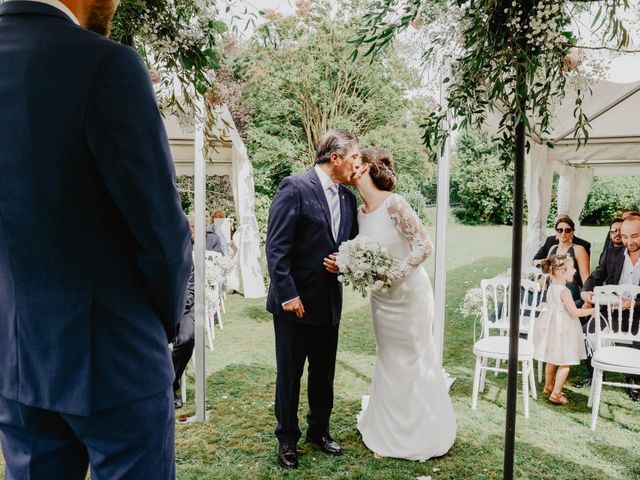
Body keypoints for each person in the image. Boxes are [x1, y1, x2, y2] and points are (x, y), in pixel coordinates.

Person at [0, 1, 193, 478]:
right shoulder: (106, 64)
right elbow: (162, 234)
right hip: (115, 359)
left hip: (16, 360)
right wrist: (165, 325)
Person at [348, 147, 456, 460]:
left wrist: (395, 274)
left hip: (410, 295)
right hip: (381, 299)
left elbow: (424, 245)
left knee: (413, 356)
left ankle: (422, 431)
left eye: (357, 161)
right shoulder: (358, 212)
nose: (352, 166)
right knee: (389, 357)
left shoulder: (394, 204)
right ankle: (387, 428)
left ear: (368, 165)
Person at [265, 129, 359, 469]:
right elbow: (276, 247)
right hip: (295, 303)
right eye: (353, 157)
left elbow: (353, 247)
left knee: (324, 372)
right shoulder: (295, 186)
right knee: (290, 375)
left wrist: (344, 263)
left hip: (329, 301)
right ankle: (287, 439)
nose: (356, 164)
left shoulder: (348, 199)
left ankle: (319, 431)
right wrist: (287, 293)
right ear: (335, 157)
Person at [581, 215, 640, 402]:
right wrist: (586, 292)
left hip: (638, 312)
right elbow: (596, 276)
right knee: (586, 333)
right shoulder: (612, 254)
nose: (628, 242)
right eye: (624, 236)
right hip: (613, 311)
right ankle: (596, 372)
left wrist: (633, 303)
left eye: (634, 236)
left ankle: (634, 381)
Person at [533, 256, 594, 405]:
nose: (574, 271)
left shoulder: (551, 286)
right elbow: (575, 312)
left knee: (552, 359)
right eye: (572, 268)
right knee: (565, 362)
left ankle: (548, 386)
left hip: (553, 329)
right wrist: (594, 310)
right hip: (564, 330)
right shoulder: (564, 291)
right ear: (561, 271)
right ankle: (556, 394)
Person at [545, 214, 590, 305]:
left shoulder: (579, 250)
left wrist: (587, 302)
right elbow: (546, 275)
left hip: (570, 292)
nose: (563, 233)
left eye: (567, 230)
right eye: (560, 230)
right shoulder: (552, 249)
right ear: (556, 232)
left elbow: (586, 278)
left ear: (572, 232)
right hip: (553, 291)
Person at [172, 264, 195, 409]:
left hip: (183, 308)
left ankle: (170, 384)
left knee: (187, 338)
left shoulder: (183, 253)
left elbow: (191, 286)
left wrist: (178, 307)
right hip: (156, 308)